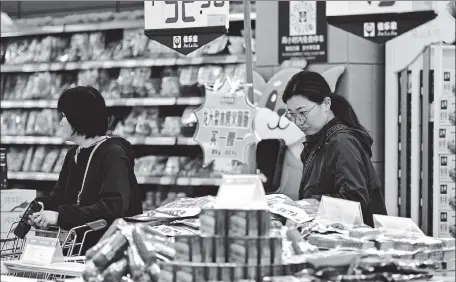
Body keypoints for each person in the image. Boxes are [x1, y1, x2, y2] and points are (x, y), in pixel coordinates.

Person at [27, 86, 143, 253]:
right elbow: (60, 197)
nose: (60, 123)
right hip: (75, 247)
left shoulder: (113, 154)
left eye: (64, 116)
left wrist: (60, 216)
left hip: (108, 251)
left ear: (78, 117)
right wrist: (42, 206)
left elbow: (113, 207)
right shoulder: (74, 153)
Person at [282, 70, 387, 227]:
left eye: (302, 112)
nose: (298, 121)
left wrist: (309, 204)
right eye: (292, 115)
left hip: (355, 242)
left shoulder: (341, 142)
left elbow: (354, 199)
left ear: (326, 104)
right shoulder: (318, 140)